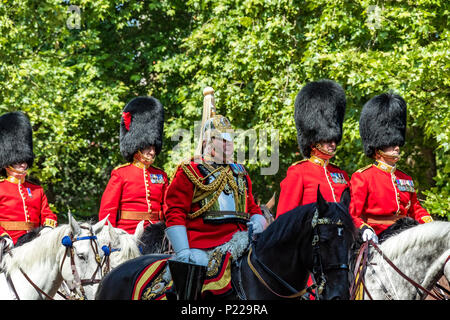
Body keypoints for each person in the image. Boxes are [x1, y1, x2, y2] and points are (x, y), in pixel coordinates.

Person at [164, 87, 266, 299]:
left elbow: (253, 208)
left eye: (231, 139)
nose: (229, 145)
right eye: (223, 140)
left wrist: (258, 222)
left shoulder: (240, 172)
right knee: (195, 274)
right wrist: (183, 251)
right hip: (204, 246)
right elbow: (175, 212)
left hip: (241, 242)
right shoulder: (190, 171)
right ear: (209, 142)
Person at [350, 92, 433, 244]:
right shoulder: (363, 177)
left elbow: (415, 209)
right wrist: (364, 228)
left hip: (407, 235)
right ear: (378, 147)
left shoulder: (405, 178)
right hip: (377, 237)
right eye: (391, 143)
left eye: (397, 143)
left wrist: (430, 223)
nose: (397, 147)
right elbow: (353, 214)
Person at [276, 79, 350, 218]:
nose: (333, 144)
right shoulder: (298, 172)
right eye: (327, 139)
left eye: (334, 139)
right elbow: (284, 218)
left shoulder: (341, 175)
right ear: (314, 140)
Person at [98, 97, 169, 234]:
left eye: (154, 147)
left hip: (158, 233)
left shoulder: (161, 175)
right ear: (138, 146)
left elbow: (169, 207)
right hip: (127, 234)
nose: (152, 151)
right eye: (148, 147)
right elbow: (108, 210)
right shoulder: (121, 174)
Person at [0, 111, 57, 250]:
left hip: (34, 245)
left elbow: (48, 215)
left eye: (25, 161)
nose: (23, 164)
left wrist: (48, 228)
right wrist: (3, 236)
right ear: (8, 162)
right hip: (7, 244)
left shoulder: (37, 190)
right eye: (19, 161)